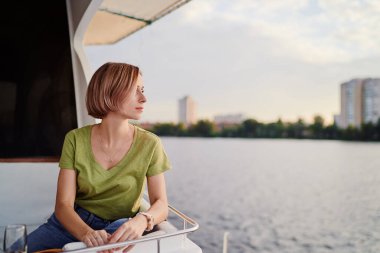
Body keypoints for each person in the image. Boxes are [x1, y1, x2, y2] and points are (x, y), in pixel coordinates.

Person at [27, 62, 171, 252]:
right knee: (16, 249)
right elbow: (63, 206)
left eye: (142, 90)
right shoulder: (75, 139)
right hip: (73, 223)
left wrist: (142, 221)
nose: (144, 98)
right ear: (110, 91)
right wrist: (86, 233)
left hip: (120, 226)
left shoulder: (151, 144)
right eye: (135, 90)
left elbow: (161, 204)